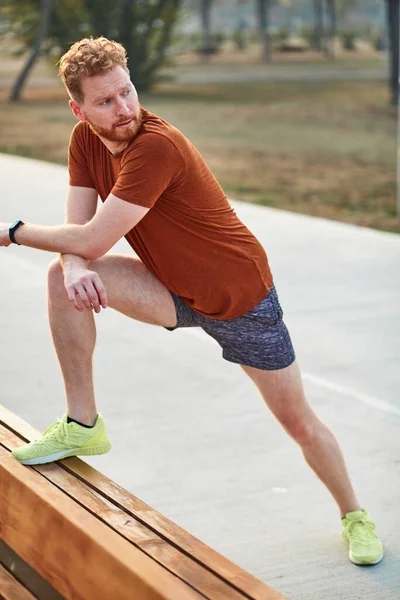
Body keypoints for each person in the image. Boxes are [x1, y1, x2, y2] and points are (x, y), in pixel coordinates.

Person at [1, 37, 383, 566]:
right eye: (106, 101)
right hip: (172, 290)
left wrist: (14, 232)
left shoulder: (157, 146)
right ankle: (83, 425)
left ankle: (354, 514)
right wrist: (73, 266)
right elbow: (77, 237)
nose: (124, 108)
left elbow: (89, 240)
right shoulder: (84, 142)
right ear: (79, 109)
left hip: (241, 300)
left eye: (127, 91)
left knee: (298, 421)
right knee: (57, 276)